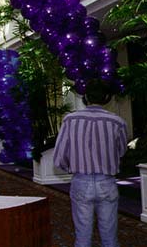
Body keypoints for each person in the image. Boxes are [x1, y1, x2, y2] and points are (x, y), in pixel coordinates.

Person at [53, 79, 128, 247]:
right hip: (107, 182)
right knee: (110, 239)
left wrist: (74, 166)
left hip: (81, 181)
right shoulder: (118, 122)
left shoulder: (70, 120)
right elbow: (122, 151)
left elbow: (59, 157)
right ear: (107, 98)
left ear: (85, 97)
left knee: (82, 238)